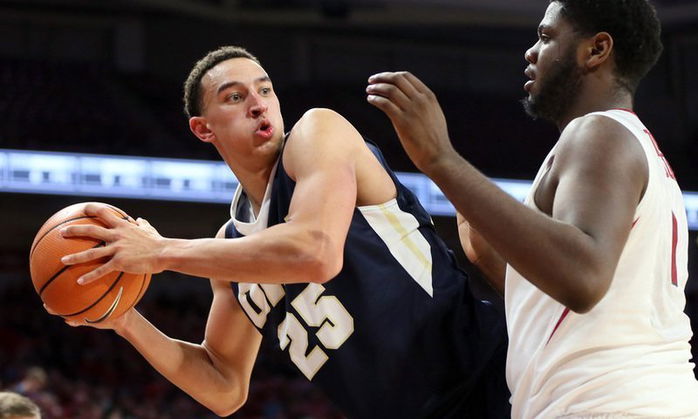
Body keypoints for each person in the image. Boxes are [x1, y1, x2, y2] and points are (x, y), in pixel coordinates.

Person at [54, 46, 510, 418]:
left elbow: (316, 252)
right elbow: (223, 386)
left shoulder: (317, 134)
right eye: (234, 97)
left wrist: (159, 252)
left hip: (489, 377)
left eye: (265, 89)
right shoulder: (230, 250)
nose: (258, 104)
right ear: (202, 128)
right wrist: (124, 319)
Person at [366, 0, 698, 417]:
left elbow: (582, 276)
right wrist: (487, 242)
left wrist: (441, 159)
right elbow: (562, 290)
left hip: (610, 403)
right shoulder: (629, 146)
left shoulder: (599, 132)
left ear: (596, 50)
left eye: (546, 37)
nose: (530, 51)